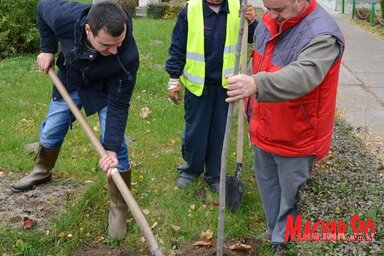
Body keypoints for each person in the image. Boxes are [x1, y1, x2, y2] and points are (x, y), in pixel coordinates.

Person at [11, 0, 139, 239]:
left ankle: (119, 207)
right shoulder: (65, 17)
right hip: (71, 80)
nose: (114, 51)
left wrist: (109, 148)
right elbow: (41, 8)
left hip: (105, 90)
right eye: (107, 45)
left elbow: (119, 104)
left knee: (116, 147)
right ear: (88, 30)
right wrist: (47, 48)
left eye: (119, 43)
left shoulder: (127, 57)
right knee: (51, 130)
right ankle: (42, 170)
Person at [225, 0, 344, 254]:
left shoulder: (323, 35)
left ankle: (285, 241)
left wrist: (256, 84)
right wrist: (246, 89)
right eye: (268, 8)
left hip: (297, 133)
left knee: (291, 194)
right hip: (265, 125)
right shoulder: (268, 22)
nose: (272, 15)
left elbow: (303, 76)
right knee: (268, 183)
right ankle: (274, 229)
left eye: (279, 9)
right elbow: (259, 63)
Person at [165, 0, 257, 193]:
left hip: (226, 85)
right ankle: (191, 169)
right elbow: (178, 46)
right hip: (198, 85)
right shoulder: (190, 10)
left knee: (219, 132)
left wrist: (252, 22)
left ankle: (215, 174)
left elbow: (251, 37)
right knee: (195, 131)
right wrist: (174, 79)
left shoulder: (238, 8)